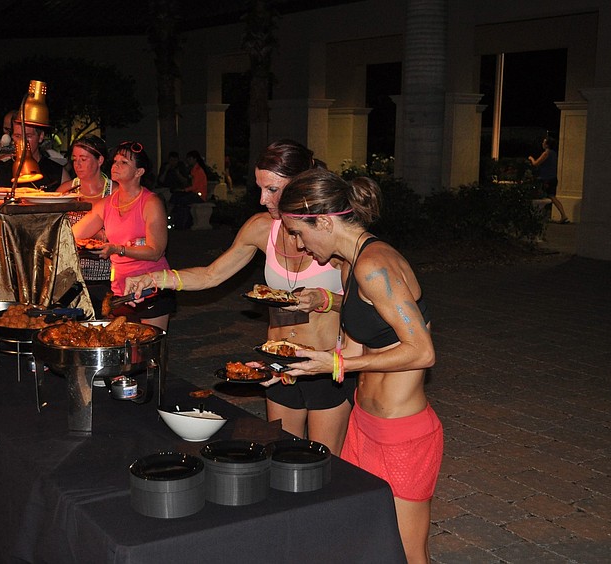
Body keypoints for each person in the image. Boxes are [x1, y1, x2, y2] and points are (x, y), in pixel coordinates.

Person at [125, 140, 357, 455]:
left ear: (302, 183)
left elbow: (365, 305)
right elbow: (211, 274)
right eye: (260, 189)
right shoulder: (262, 228)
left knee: (324, 461)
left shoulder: (334, 231)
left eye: (272, 189)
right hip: (279, 366)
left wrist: (325, 300)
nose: (263, 200)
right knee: (282, 456)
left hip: (325, 365)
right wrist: (154, 278)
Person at [277, 169, 440, 564]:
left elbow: (422, 351)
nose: (297, 244)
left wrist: (338, 361)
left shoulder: (375, 265)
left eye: (298, 232)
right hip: (363, 427)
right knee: (365, 539)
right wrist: (303, 361)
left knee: (407, 553)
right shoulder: (350, 266)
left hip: (403, 435)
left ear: (326, 221)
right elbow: (352, 345)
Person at [71, 141, 175, 330]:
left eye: (124, 162)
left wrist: (118, 249)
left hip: (151, 287)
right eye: (115, 161)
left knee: (149, 352)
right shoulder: (106, 204)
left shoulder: (150, 202)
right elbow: (74, 234)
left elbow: (156, 251)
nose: (116, 165)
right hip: (121, 289)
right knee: (122, 350)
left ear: (139, 172)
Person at [60, 134, 114, 317]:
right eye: (74, 159)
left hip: (107, 273)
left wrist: (102, 234)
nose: (77, 165)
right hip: (73, 274)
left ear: (100, 160)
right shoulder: (66, 191)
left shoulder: (115, 192)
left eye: (83, 159)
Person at [0, 117, 70, 191]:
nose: (23, 142)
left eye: (28, 136)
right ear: (12, 137)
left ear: (40, 137)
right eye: (18, 136)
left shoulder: (57, 173)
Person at [529, 136, 569, 224]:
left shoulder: (546, 153)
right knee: (552, 196)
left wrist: (531, 158)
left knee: (544, 196)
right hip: (552, 178)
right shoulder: (554, 153)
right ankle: (563, 215)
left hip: (546, 178)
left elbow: (536, 164)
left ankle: (537, 216)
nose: (542, 144)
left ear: (547, 145)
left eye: (544, 142)